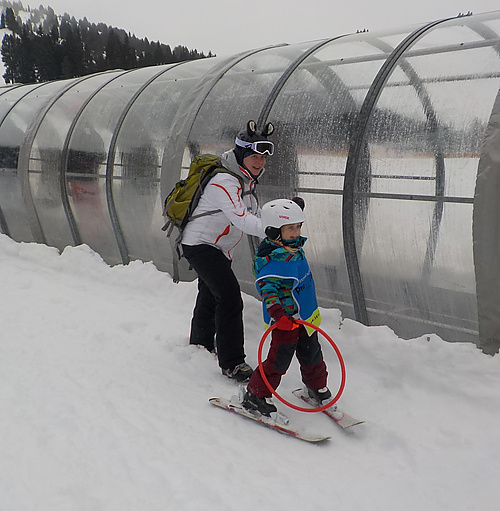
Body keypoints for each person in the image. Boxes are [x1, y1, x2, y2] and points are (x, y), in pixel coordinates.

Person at [181, 120, 274, 382]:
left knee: (211, 294)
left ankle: (200, 343)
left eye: (263, 157)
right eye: (254, 156)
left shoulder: (245, 181)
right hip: (200, 244)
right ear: (241, 155)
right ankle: (233, 363)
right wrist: (272, 230)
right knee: (230, 297)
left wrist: (282, 219)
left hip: (218, 248)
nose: (259, 162)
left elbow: (256, 215)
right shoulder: (224, 180)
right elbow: (241, 219)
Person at [242, 198, 331, 417]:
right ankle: (256, 395)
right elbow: (268, 291)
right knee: (279, 360)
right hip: (284, 321)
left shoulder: (293, 248)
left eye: (298, 226)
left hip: (304, 319)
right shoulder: (273, 261)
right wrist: (278, 314)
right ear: (273, 231)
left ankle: (315, 387)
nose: (296, 231)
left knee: (312, 354)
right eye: (290, 228)